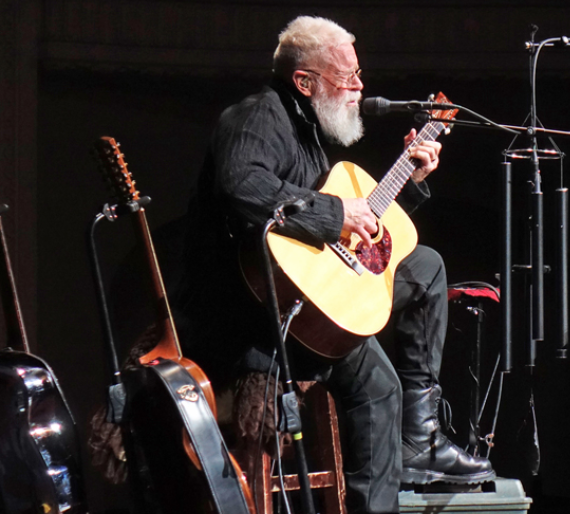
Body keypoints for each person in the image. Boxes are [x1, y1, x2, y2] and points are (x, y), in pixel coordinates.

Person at [175, 15, 494, 514]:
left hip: (306, 301)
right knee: (378, 389)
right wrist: (337, 212)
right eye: (348, 78)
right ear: (304, 81)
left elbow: (358, 238)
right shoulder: (258, 116)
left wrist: (407, 179)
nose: (360, 88)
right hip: (254, 319)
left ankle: (421, 432)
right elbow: (243, 187)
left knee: (425, 264)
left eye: (359, 75)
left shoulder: (309, 137)